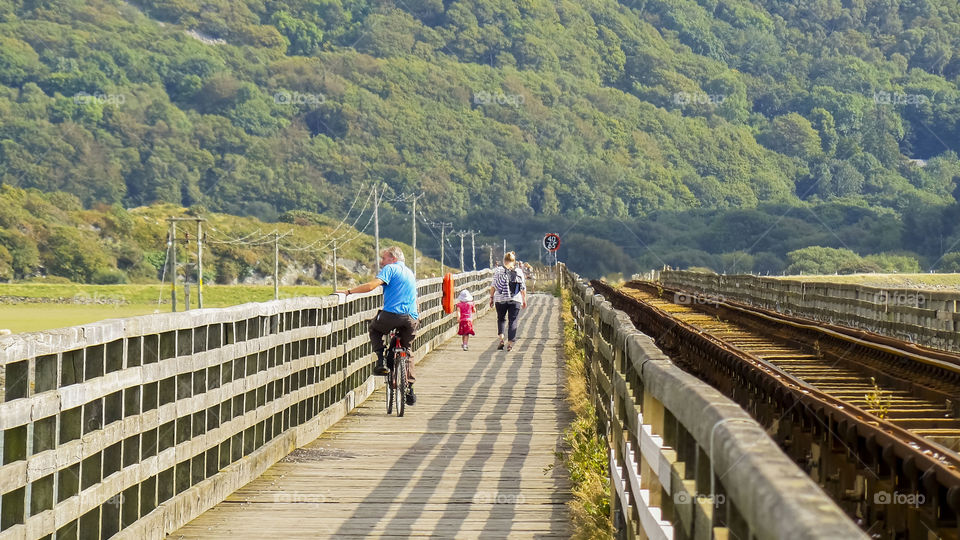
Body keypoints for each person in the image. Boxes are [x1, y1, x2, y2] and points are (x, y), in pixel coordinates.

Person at [338, 246, 419, 405]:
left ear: (393, 259)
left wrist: (348, 292)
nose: (381, 262)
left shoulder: (390, 269)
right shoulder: (410, 272)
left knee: (374, 329)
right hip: (411, 318)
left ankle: (381, 360)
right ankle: (409, 387)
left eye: (384, 258)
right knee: (407, 349)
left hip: (391, 315)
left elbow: (371, 286)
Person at [489, 251, 527, 351]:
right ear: (514, 261)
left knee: (501, 319)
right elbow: (523, 288)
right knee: (513, 321)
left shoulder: (498, 270)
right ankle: (510, 344)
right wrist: (524, 299)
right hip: (515, 299)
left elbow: (493, 286)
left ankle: (501, 339)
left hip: (500, 299)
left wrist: (491, 297)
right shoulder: (518, 271)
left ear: (504, 260)